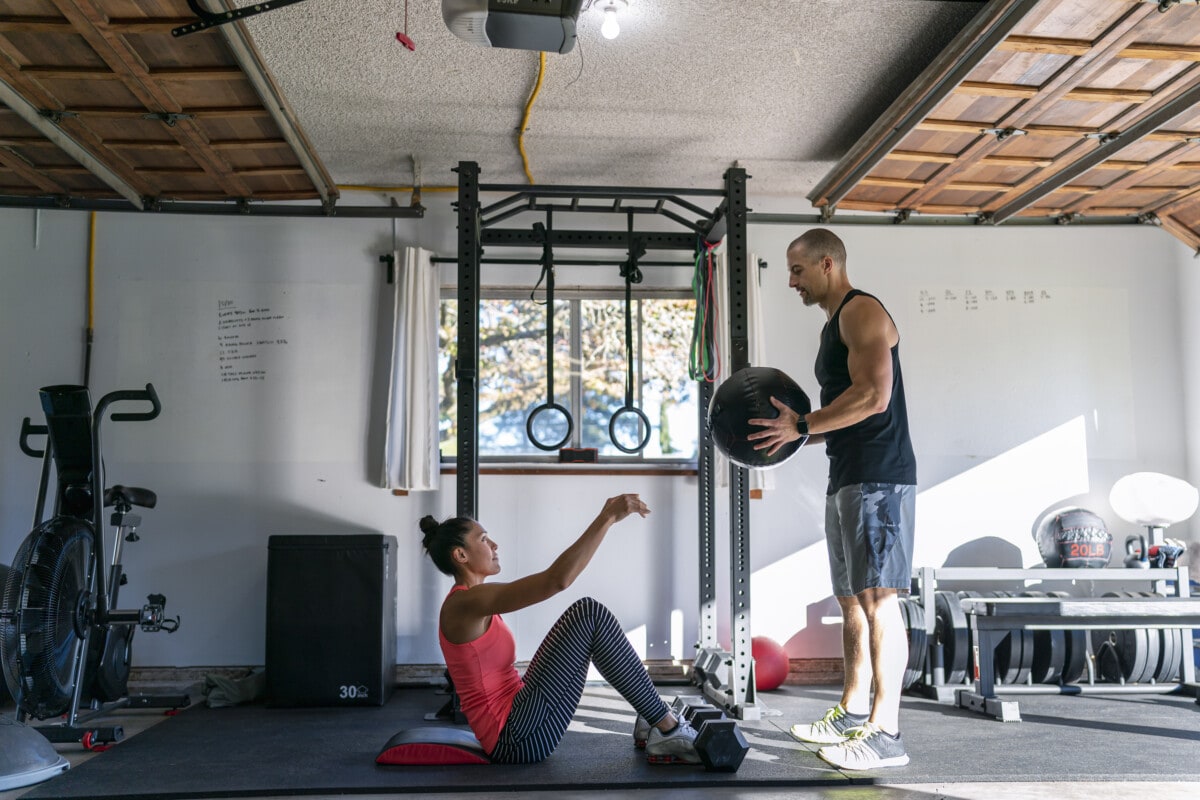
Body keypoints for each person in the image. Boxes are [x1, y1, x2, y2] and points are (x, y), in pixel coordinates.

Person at [747, 228, 917, 770]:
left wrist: (803, 423)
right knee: (849, 598)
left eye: (797, 271)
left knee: (879, 599)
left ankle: (886, 730)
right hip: (846, 472)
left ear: (826, 264)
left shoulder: (860, 311)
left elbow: (873, 395)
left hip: (878, 476)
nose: (791, 281)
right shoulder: (832, 325)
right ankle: (849, 712)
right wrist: (797, 433)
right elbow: (843, 410)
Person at [419, 493, 701, 765]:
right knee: (589, 615)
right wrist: (606, 518)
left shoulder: (474, 601)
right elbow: (556, 580)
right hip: (514, 739)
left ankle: (654, 719)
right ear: (460, 555)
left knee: (587, 616)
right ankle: (667, 728)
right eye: (483, 539)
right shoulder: (465, 603)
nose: (494, 545)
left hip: (521, 718)